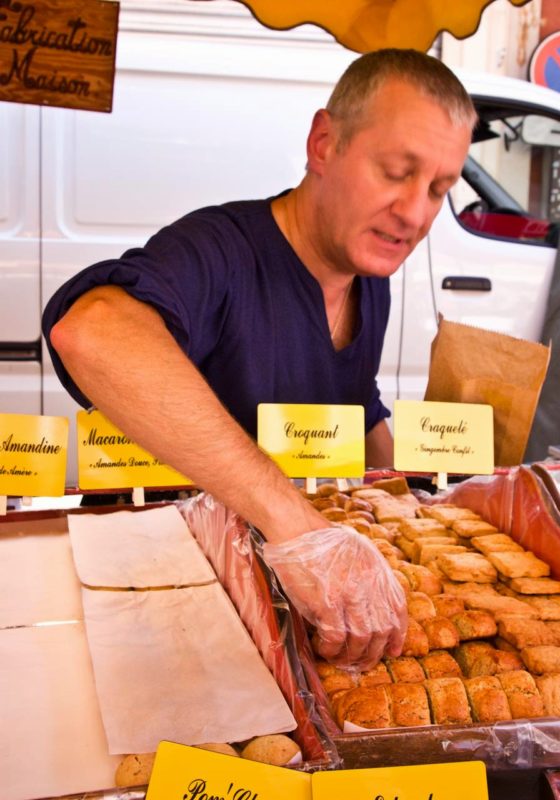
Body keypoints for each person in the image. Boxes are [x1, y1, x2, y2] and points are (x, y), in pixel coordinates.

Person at [43, 49, 476, 669]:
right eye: (394, 172)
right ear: (324, 144)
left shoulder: (367, 275)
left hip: (289, 625)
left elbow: (357, 402)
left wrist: (417, 514)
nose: (415, 213)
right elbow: (91, 331)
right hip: (166, 619)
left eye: (437, 189)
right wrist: (297, 525)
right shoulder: (219, 250)